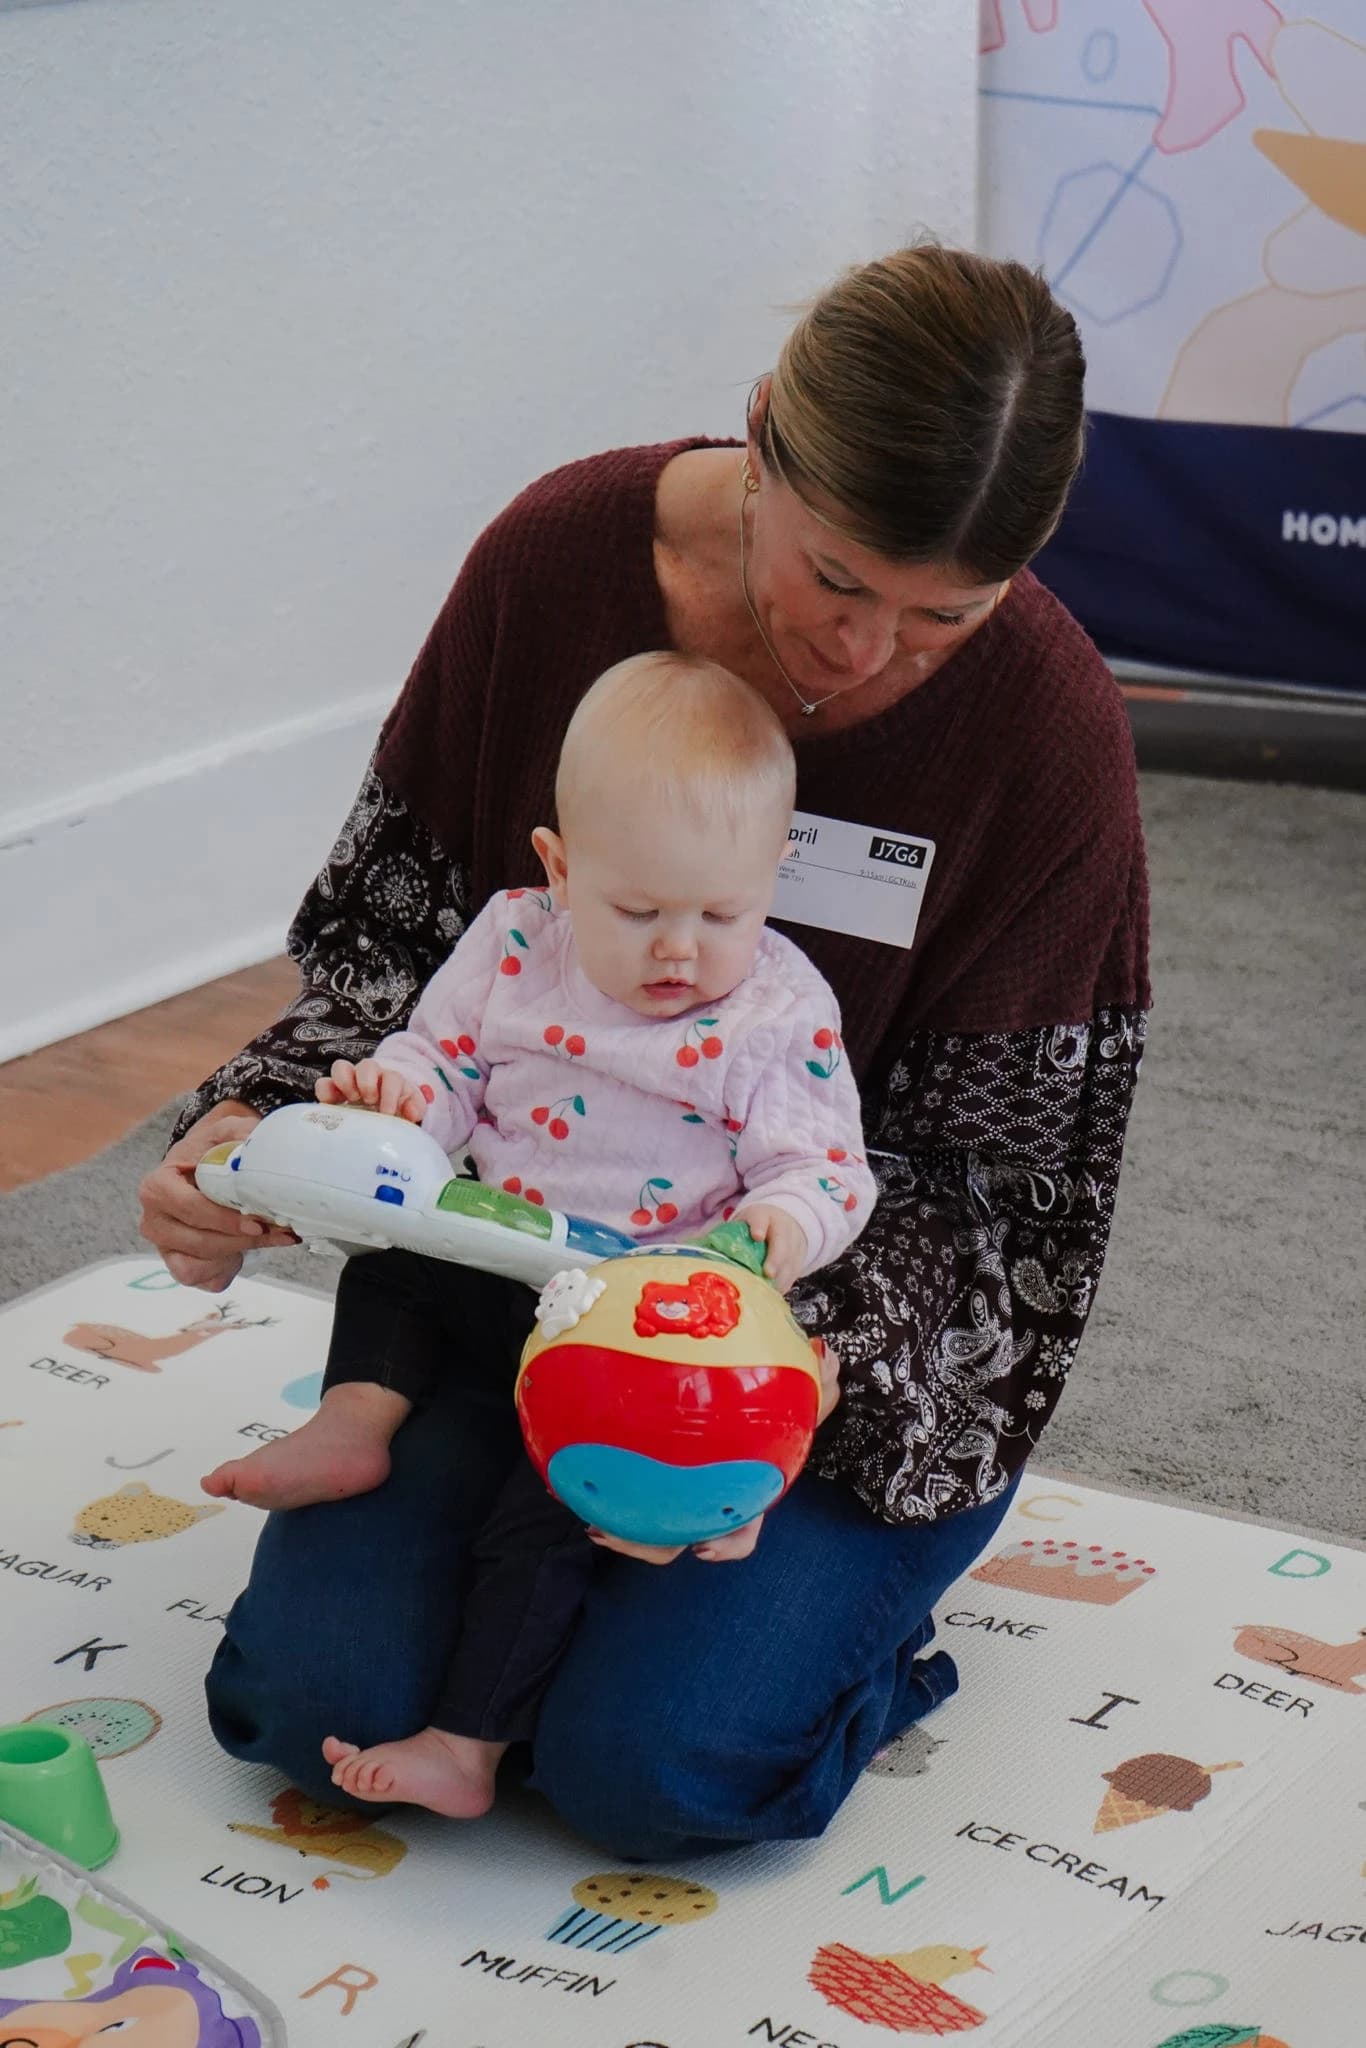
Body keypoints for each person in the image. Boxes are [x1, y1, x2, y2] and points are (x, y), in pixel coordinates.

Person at [139, 242, 1150, 1861]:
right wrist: (256, 1129)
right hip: (512, 1287)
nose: (866, 651)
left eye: (943, 616)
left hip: (800, 1348)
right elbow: (395, 959)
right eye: (836, 579)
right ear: (760, 439)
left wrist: (764, 1344)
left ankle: (841, 1644)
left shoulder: (1044, 728)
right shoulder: (553, 565)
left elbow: (1010, 1196)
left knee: (653, 1771)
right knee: (309, 1705)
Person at [198, 651, 873, 1820]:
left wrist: (780, 1222)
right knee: (398, 1260)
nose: (679, 949)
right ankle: (357, 1419)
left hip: (641, 1323)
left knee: (545, 1520)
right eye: (638, 911)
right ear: (559, 869)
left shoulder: (777, 1007)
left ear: (772, 875)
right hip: (500, 1257)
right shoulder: (513, 941)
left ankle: (466, 1742)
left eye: (721, 913)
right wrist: (399, 1097)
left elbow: (824, 1165)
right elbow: (441, 1062)